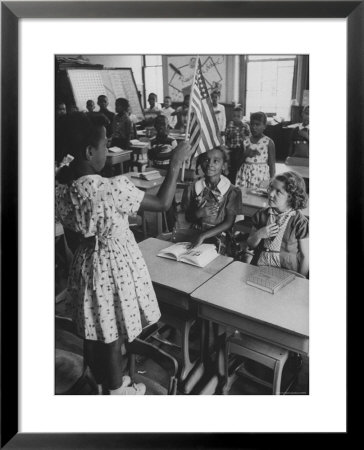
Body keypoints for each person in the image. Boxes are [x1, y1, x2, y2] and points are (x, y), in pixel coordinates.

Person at [55, 112, 192, 395]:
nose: (107, 149)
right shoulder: (111, 188)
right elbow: (164, 202)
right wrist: (176, 162)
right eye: (105, 144)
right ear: (89, 151)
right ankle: (117, 392)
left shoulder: (60, 187)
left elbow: (73, 235)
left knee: (96, 326)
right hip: (112, 266)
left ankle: (103, 381)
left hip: (84, 263)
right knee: (112, 332)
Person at [246, 171, 309, 277]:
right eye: (271, 188)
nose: (271, 193)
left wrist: (300, 282)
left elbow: (305, 257)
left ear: (291, 197)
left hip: (287, 272)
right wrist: (259, 235)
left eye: (278, 192)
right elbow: (250, 244)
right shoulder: (261, 214)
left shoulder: (299, 222)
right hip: (259, 268)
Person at [182, 147, 241, 256]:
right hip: (194, 235)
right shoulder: (192, 188)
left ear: (223, 165)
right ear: (200, 162)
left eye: (216, 161)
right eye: (206, 160)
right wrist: (199, 213)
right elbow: (187, 217)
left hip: (220, 239)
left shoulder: (232, 191)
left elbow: (229, 223)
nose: (210, 164)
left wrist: (203, 235)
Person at [235, 111, 276, 189]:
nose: (254, 127)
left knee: (259, 198)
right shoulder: (244, 142)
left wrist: (271, 181)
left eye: (257, 124)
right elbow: (237, 164)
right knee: (244, 198)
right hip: (245, 176)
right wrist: (245, 154)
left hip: (261, 178)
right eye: (252, 124)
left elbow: (272, 165)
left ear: (264, 126)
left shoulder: (269, 142)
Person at [225, 106, 251, 183]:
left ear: (242, 117)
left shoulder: (245, 126)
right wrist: (230, 137)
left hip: (241, 149)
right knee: (232, 166)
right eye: (234, 116)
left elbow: (249, 137)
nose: (236, 118)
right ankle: (231, 181)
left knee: (240, 165)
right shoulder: (230, 126)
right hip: (232, 149)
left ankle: (240, 180)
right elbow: (226, 138)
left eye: (238, 116)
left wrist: (244, 137)